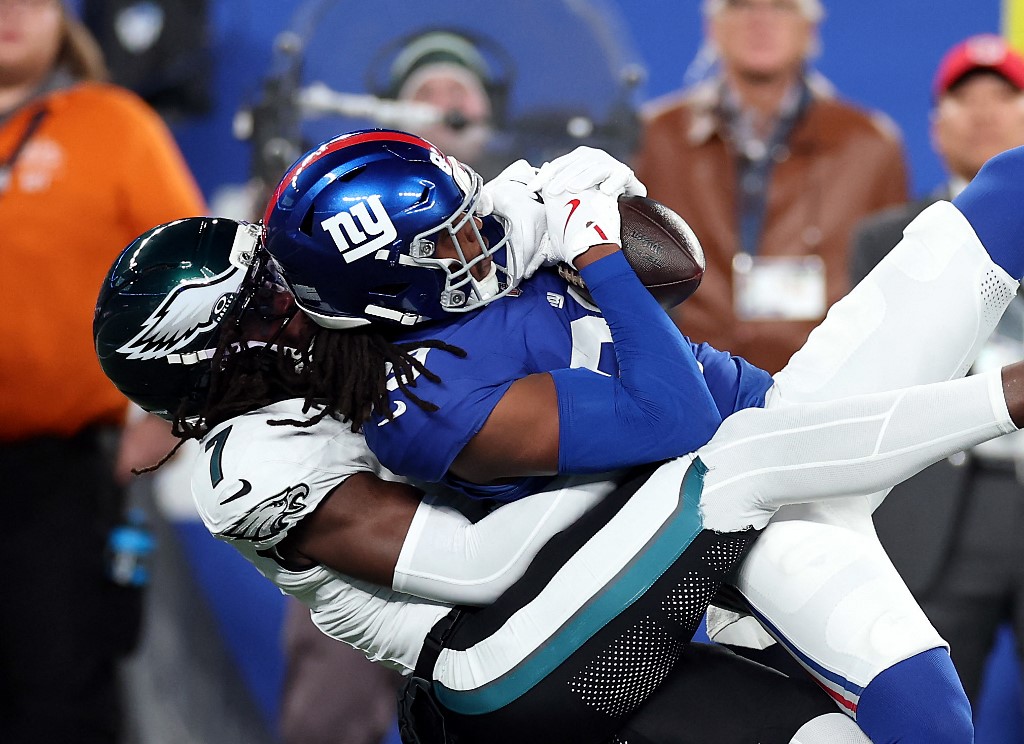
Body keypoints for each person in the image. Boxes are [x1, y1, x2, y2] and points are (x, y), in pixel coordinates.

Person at [258, 129, 1024, 743]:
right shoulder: (427, 406)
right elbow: (678, 420)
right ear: (382, 293)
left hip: (790, 410)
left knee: (1009, 188)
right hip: (737, 514)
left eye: (467, 215)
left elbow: (669, 258)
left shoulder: (489, 233)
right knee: (928, 723)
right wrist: (595, 251)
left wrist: (597, 193)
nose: (478, 238)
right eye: (447, 242)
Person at [94, 216, 876, 744]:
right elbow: (476, 564)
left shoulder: (335, 341)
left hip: (576, 610)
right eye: (263, 303)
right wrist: (640, 451)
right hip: (495, 657)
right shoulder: (253, 463)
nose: (293, 298)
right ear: (214, 362)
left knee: (818, 733)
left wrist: (555, 207)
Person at [0, 0, 206, 742]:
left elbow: (205, 277)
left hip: (59, 480)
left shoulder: (115, 126)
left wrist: (171, 415)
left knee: (59, 701)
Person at [850, 33, 1024, 705]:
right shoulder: (886, 241)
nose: (982, 113)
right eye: (963, 98)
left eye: (1003, 96)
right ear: (934, 128)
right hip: (939, 508)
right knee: (928, 716)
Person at [633, 0, 909, 374]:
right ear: (712, 27)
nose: (760, 21)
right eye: (741, 5)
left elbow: (893, 292)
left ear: (810, 29)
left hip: (824, 382)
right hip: (687, 376)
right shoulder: (655, 138)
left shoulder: (869, 145)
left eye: (781, 6)